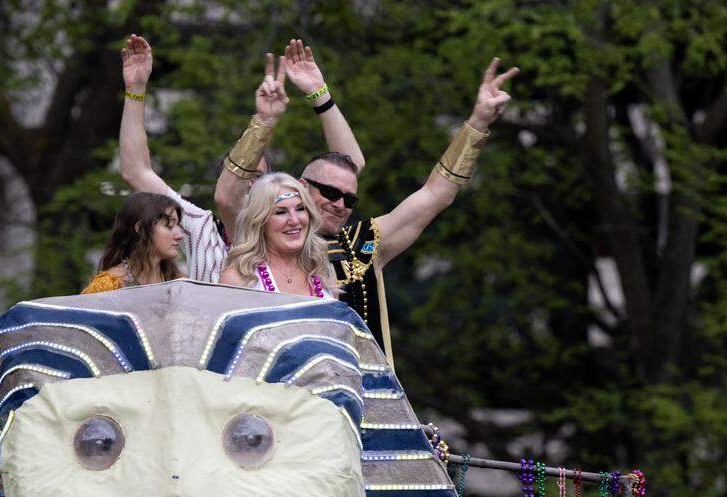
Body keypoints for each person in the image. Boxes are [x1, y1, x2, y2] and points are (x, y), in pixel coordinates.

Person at [215, 56, 518, 361]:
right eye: (331, 193)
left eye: (350, 199)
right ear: (301, 187)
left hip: (363, 399)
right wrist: (266, 120)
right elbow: (228, 196)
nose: (339, 204)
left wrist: (478, 122)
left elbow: (435, 194)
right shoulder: (260, 242)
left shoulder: (361, 245)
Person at [118, 35, 364, 283]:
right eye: (240, 174)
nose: (246, 182)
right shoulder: (201, 228)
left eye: (256, 177)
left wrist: (318, 92)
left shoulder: (292, 231)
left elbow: (349, 167)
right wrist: (135, 90)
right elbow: (136, 172)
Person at [219, 173, 337, 298]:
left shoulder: (324, 276)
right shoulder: (237, 280)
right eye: (280, 212)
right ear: (260, 222)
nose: (295, 220)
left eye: (300, 209)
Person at [81, 192, 184, 293]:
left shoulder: (180, 283)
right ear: (141, 229)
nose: (180, 235)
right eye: (169, 225)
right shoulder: (108, 286)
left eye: (178, 226)